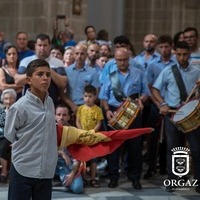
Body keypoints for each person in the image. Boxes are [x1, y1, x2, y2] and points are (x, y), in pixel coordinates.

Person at [4, 59, 57, 200]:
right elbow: (9, 134)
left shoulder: (50, 102)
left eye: (48, 74)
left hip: (46, 170)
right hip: (24, 169)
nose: (45, 78)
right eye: (40, 74)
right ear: (29, 80)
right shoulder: (19, 107)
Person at [151, 41, 200, 193]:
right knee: (174, 149)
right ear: (175, 53)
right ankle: (173, 180)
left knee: (197, 149)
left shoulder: (197, 70)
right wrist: (163, 104)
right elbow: (155, 89)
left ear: (189, 54)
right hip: (173, 114)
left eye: (185, 54)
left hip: (192, 114)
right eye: (179, 54)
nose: (182, 57)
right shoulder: (168, 70)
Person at [99, 47, 149, 189]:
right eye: (119, 60)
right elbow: (103, 97)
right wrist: (107, 110)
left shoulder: (138, 73)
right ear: (115, 60)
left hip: (133, 111)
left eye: (124, 59)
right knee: (114, 147)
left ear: (129, 58)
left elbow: (145, 92)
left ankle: (135, 177)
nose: (122, 62)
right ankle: (113, 176)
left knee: (135, 146)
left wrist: (142, 100)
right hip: (115, 112)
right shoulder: (110, 75)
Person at [144, 35, 176, 179]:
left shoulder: (175, 64)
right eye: (161, 47)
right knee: (153, 136)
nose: (163, 50)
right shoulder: (152, 64)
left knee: (170, 137)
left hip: (172, 105)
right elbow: (149, 87)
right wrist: (158, 103)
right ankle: (151, 166)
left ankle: (164, 166)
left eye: (166, 47)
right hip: (155, 104)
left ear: (171, 46)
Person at [14, 33, 67, 106]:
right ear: (35, 46)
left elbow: (63, 83)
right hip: (29, 104)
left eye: (45, 45)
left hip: (51, 103)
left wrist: (47, 68)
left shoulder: (58, 63)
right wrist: (35, 71)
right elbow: (17, 81)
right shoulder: (26, 61)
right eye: (40, 45)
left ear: (50, 46)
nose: (42, 48)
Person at [76, 85, 104, 187]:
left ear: (95, 97)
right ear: (83, 97)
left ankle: (93, 178)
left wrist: (92, 132)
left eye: (90, 96)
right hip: (83, 137)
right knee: (83, 159)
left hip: (93, 138)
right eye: (86, 96)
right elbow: (77, 121)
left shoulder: (98, 110)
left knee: (93, 159)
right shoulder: (80, 109)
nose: (88, 98)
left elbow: (99, 123)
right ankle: (83, 178)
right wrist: (82, 131)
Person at [61, 44, 100, 114]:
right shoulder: (66, 71)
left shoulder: (93, 73)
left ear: (86, 55)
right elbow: (62, 92)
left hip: (87, 108)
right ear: (73, 55)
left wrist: (85, 107)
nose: (79, 56)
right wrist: (72, 105)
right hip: (69, 108)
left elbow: (96, 94)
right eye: (77, 53)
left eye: (82, 54)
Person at [55, 104, 84, 193]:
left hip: (66, 164)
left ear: (69, 117)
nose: (61, 117)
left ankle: (64, 178)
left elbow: (78, 158)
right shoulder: (49, 129)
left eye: (64, 115)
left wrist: (72, 174)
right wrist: (61, 153)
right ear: (54, 116)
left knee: (77, 188)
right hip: (50, 162)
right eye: (59, 114)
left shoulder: (74, 132)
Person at [0, 89, 17, 183]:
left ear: (14, 100)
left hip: (12, 137)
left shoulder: (17, 112)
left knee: (2, 147)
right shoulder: (1, 112)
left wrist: (16, 141)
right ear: (3, 100)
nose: (8, 101)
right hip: (1, 137)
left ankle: (4, 172)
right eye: (6, 99)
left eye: (11, 98)